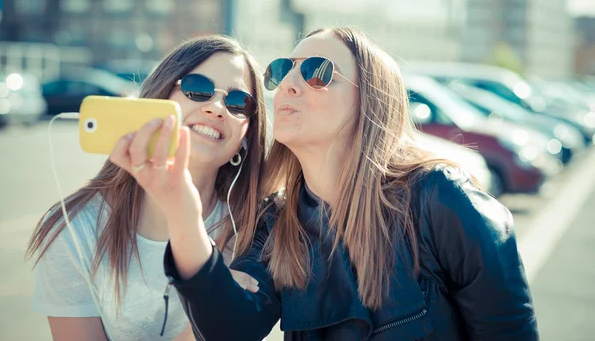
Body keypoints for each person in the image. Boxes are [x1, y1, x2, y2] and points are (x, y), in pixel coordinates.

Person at [112, 27, 538, 340]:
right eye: (283, 70)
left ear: (370, 99)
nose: (288, 85)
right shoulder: (277, 224)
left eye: (317, 71)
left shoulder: (441, 199)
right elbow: (230, 330)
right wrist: (182, 212)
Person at [27, 35, 267, 341]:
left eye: (238, 102)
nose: (217, 108)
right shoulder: (74, 229)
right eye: (198, 89)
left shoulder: (254, 228)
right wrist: (213, 296)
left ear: (246, 136)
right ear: (158, 99)